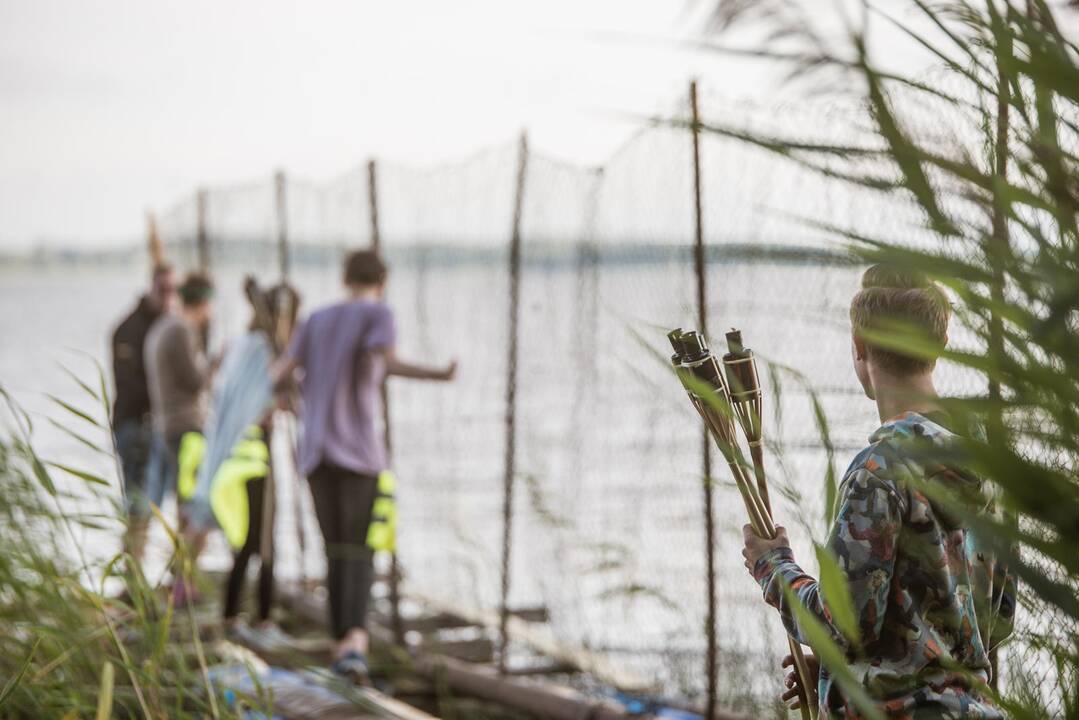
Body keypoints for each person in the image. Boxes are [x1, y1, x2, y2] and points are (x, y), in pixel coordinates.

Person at [741, 265, 1015, 718]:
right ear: (938, 345)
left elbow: (843, 624)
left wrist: (772, 567)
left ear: (860, 346)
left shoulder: (880, 472)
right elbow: (997, 621)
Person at [278, 249, 456, 681]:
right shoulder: (379, 314)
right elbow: (387, 361)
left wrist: (290, 400)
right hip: (358, 453)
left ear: (345, 277)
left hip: (316, 452)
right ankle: (354, 643)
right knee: (360, 550)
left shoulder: (315, 320)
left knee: (335, 550)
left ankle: (341, 639)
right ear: (382, 280)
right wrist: (439, 374)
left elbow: (279, 373)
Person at [144, 271, 214, 603]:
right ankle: (184, 581)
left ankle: (180, 578)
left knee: (183, 504)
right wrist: (217, 362)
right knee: (196, 505)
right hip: (185, 426)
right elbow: (195, 381)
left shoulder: (160, 327)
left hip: (165, 426)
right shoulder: (181, 330)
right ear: (203, 302)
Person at [112, 264, 178, 565]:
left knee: (153, 503)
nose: (168, 296)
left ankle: (139, 576)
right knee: (138, 506)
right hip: (134, 427)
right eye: (163, 289)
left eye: (173, 290)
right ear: (151, 287)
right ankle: (132, 575)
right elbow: (128, 386)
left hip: (160, 429)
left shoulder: (171, 326)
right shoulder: (128, 329)